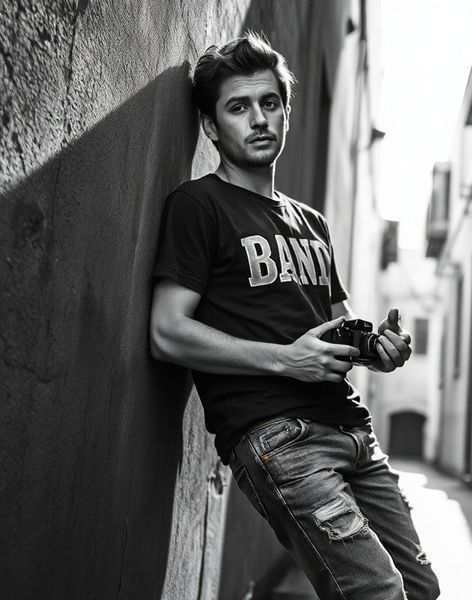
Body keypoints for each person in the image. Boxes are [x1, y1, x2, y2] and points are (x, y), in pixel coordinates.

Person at [149, 32, 440, 600]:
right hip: (282, 438)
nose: (258, 119)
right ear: (211, 126)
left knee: (419, 587)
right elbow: (166, 331)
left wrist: (379, 349)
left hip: (354, 433)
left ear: (286, 111)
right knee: (376, 591)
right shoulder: (199, 205)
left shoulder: (313, 223)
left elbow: (339, 324)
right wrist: (286, 361)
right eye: (238, 107)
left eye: (270, 103)